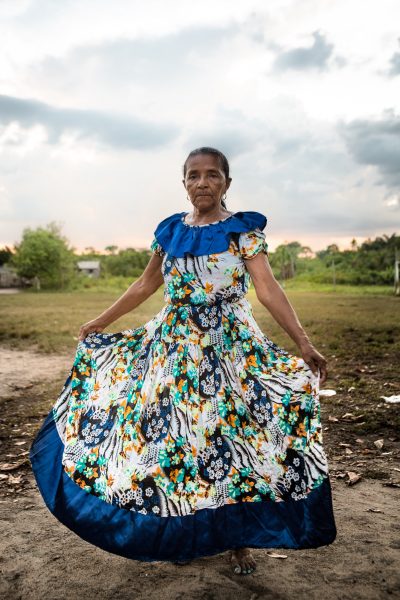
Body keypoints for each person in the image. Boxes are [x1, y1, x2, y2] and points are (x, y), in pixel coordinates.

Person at [29, 146, 336, 576]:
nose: (203, 183)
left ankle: (237, 540)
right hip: (173, 348)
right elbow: (145, 284)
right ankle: (185, 532)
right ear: (184, 183)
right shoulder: (169, 231)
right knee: (178, 441)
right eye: (194, 175)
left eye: (213, 175)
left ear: (227, 182)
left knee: (231, 440)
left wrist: (302, 342)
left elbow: (267, 290)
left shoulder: (243, 232)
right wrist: (100, 321)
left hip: (230, 349)